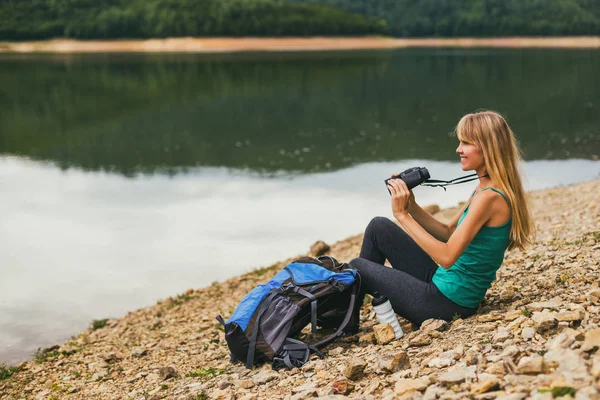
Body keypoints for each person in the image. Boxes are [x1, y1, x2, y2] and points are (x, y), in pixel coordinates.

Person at [348, 110, 535, 331]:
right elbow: (448, 232)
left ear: (488, 147)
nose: (458, 149)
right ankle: (348, 318)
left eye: (465, 143)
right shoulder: (485, 187)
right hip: (443, 284)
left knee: (358, 266)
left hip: (446, 304)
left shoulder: (490, 197)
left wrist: (402, 216)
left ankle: (345, 322)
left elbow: (446, 257)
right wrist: (412, 206)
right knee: (379, 227)